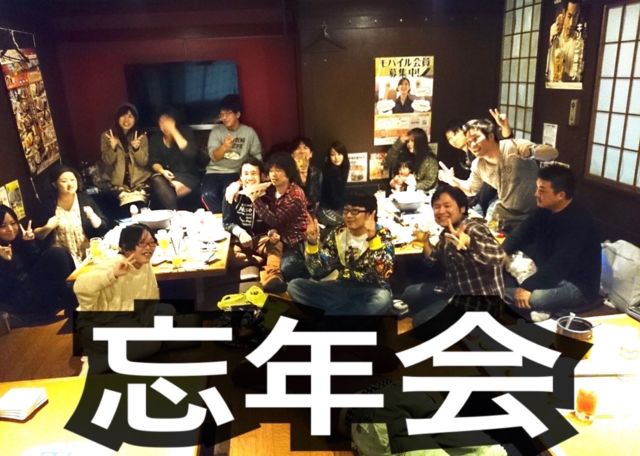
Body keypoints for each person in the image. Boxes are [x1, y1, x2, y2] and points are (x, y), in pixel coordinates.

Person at [502, 164, 601, 321]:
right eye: (537, 188)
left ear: (560, 195)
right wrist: (501, 252)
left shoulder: (578, 221)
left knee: (535, 298)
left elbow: (560, 264)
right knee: (502, 267)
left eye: (542, 190)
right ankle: (518, 300)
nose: (536, 194)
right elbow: (520, 233)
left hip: (577, 285)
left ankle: (500, 294)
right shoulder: (543, 209)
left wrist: (527, 287)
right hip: (548, 273)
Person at [73, 224, 176, 373]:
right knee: (152, 343)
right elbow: (80, 286)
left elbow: (150, 297)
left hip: (128, 317)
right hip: (99, 323)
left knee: (167, 311)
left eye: (152, 242)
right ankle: (98, 362)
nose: (149, 248)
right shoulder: (114, 263)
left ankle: (128, 347)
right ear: (127, 248)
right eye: (142, 243)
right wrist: (112, 275)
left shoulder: (143, 262)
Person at [400, 185, 505, 325]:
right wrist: (425, 242)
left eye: (447, 206)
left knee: (421, 321)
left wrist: (469, 242)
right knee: (409, 294)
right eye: (437, 207)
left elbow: (498, 257)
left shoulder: (473, 228)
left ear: (462, 209)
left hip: (480, 303)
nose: (441, 211)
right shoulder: (447, 233)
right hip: (454, 290)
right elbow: (434, 261)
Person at [439, 118, 558, 232]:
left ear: (491, 136)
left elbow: (553, 153)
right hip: (506, 214)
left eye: (476, 138)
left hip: (534, 214)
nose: (473, 145)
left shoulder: (513, 146)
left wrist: (532, 152)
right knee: (490, 238)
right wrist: (451, 180)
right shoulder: (478, 165)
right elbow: (471, 189)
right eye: (469, 142)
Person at [288, 193, 394, 315]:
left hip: (371, 290)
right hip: (342, 287)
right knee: (295, 286)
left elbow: (383, 274)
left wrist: (372, 238)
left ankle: (334, 314)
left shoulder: (382, 234)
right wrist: (312, 243)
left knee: (382, 299)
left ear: (371, 214)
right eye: (346, 211)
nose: (348, 216)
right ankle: (344, 315)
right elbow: (316, 272)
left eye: (354, 211)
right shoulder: (338, 233)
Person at [0, 204, 76, 326]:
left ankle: (72, 302)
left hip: (32, 289)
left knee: (59, 252)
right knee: (55, 254)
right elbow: (8, 290)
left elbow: (34, 264)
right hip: (21, 301)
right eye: (3, 226)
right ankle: (72, 303)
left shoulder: (16, 241)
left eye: (13, 223)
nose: (10, 229)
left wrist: (29, 244)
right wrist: (7, 262)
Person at [243, 153, 308, 289]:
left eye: (278, 170)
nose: (273, 174)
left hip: (294, 243)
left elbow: (275, 221)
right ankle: (270, 274)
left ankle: (277, 279)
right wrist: (235, 185)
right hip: (276, 238)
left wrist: (255, 200)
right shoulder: (271, 189)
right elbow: (248, 181)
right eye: (271, 171)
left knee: (287, 269)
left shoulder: (295, 195)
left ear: (288, 172)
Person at [222, 157, 285, 292]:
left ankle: (273, 277)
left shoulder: (270, 195)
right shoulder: (232, 194)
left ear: (261, 176)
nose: (249, 177)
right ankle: (257, 260)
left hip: (262, 240)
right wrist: (240, 233)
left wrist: (273, 233)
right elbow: (227, 222)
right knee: (226, 257)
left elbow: (274, 222)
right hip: (239, 242)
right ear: (240, 177)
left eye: (253, 173)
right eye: (246, 174)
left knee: (277, 245)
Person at [34, 165, 109, 267]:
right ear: (54, 184)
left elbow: (103, 228)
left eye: (72, 180)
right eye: (64, 181)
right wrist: (48, 227)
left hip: (88, 257)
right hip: (64, 263)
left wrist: (92, 217)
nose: (70, 184)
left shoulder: (85, 200)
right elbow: (37, 236)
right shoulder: (48, 206)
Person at [202, 94, 262, 213]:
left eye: (228, 114)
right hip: (214, 171)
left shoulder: (249, 132)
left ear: (237, 114)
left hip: (235, 171)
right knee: (208, 195)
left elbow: (257, 156)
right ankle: (221, 218)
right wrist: (224, 147)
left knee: (229, 194)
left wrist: (251, 174)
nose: (224, 117)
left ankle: (228, 219)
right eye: (221, 114)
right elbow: (214, 157)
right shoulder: (216, 131)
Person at [101, 102, 151, 215]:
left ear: (135, 119)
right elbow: (107, 161)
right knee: (125, 207)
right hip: (118, 184)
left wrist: (136, 149)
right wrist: (113, 148)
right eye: (123, 116)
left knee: (139, 205)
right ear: (117, 118)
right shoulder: (107, 136)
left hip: (139, 182)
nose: (126, 120)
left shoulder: (141, 136)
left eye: (130, 116)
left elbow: (144, 162)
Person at [149, 108, 202, 210]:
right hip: (167, 176)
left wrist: (173, 131)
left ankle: (173, 213)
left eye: (167, 121)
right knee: (157, 180)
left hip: (187, 176)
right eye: (161, 122)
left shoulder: (185, 132)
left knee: (169, 190)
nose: (164, 125)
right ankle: (174, 213)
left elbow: (190, 153)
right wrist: (162, 171)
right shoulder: (155, 138)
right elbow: (153, 161)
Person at [384, 127, 438, 192]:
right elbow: (389, 161)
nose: (409, 144)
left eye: (412, 141)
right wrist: (400, 142)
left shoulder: (430, 160)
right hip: (404, 192)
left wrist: (410, 186)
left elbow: (429, 182)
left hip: (423, 194)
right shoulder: (406, 155)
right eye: (408, 141)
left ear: (420, 142)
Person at [547, 0, 584, 82]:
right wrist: (553, 33)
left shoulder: (578, 41)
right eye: (569, 16)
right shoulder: (554, 31)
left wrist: (566, 76)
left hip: (566, 87)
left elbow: (577, 76)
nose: (571, 23)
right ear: (563, 13)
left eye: (575, 17)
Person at [317, 141, 350, 229]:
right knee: (348, 222)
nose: (336, 158)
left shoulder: (344, 167)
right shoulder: (329, 171)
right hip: (325, 209)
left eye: (339, 154)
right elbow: (332, 197)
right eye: (333, 155)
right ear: (329, 156)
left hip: (337, 207)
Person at [291, 137, 323, 214]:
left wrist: (313, 216)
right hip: (293, 213)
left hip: (312, 212)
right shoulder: (288, 173)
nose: (302, 151)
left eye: (305, 148)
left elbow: (317, 199)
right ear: (292, 155)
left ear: (311, 154)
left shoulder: (317, 173)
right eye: (298, 148)